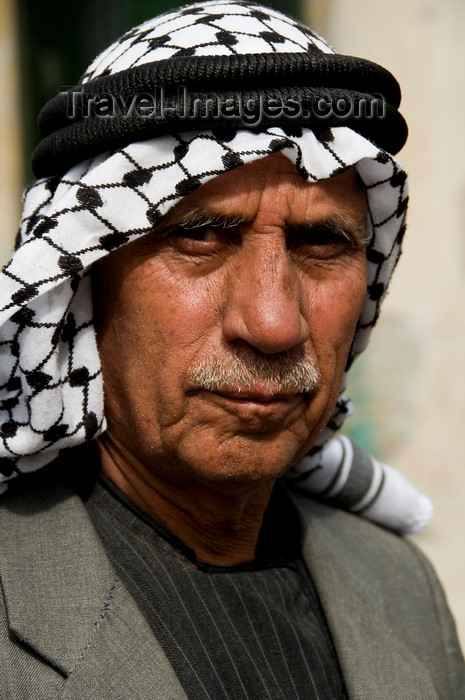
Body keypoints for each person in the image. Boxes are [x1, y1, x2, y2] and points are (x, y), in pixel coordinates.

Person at [0, 1, 463, 697]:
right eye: (200, 236)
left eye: (320, 242)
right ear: (83, 285)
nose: (273, 323)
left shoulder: (398, 586)